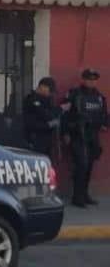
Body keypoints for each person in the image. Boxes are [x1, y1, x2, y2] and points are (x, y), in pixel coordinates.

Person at [63, 68, 108, 208]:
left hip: (92, 136)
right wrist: (65, 133)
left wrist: (104, 124)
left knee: (88, 166)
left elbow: (103, 116)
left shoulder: (100, 97)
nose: (91, 81)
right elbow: (65, 114)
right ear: (84, 79)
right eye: (89, 78)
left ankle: (85, 194)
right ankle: (77, 197)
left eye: (94, 79)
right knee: (81, 165)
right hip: (78, 134)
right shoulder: (74, 94)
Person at [22, 77, 63, 160]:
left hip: (46, 139)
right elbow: (46, 115)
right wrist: (60, 109)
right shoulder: (32, 99)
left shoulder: (46, 100)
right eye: (50, 90)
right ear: (43, 87)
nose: (51, 93)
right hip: (34, 138)